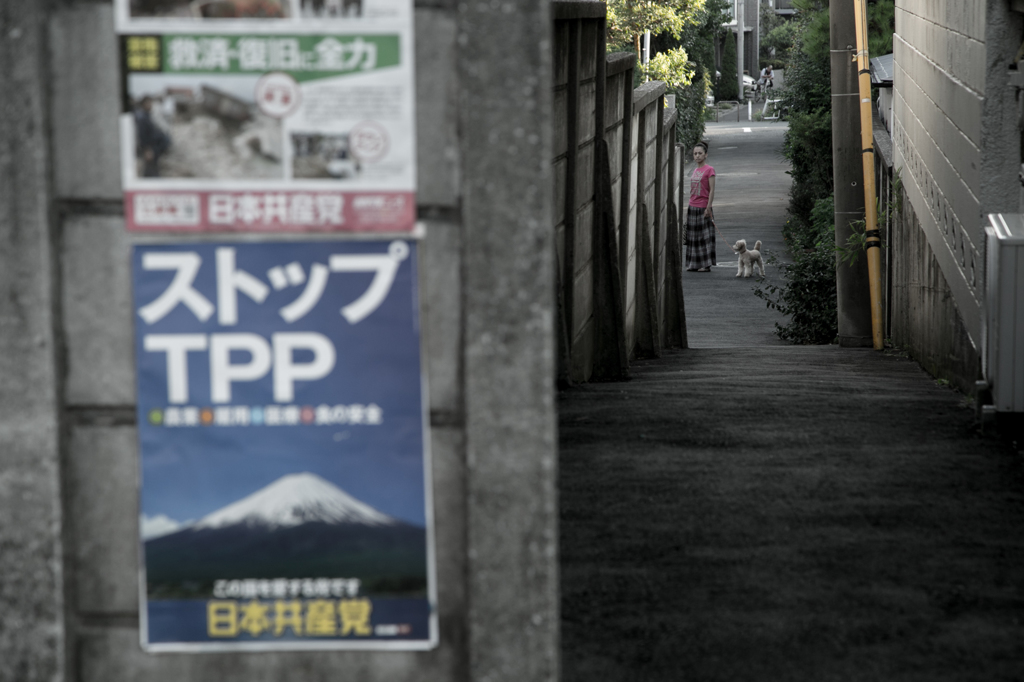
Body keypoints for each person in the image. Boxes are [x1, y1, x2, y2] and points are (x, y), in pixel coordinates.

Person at [685, 141, 716, 272]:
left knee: (704, 237)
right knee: (692, 237)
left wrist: (708, 207)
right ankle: (694, 264)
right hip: (692, 207)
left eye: (700, 153)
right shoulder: (695, 170)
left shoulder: (709, 170)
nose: (697, 156)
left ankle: (705, 264)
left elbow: (712, 190)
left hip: (703, 207)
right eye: (695, 153)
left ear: (706, 155)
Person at [134, 97, 171, 178]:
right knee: (151, 171)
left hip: (153, 148)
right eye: (148, 103)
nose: (150, 105)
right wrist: (146, 149)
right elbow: (142, 135)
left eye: (151, 103)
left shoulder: (147, 115)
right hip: (150, 148)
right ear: (143, 104)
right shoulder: (142, 118)